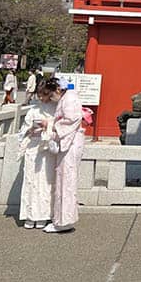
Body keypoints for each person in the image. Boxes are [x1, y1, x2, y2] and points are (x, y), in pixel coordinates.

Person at [44, 76, 84, 233]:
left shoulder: (69, 99)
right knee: (64, 180)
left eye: (51, 94)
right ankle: (62, 218)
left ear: (58, 90)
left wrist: (52, 126)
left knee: (66, 181)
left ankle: (63, 221)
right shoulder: (68, 97)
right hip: (69, 141)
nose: (51, 98)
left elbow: (72, 119)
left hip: (71, 143)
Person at [17, 85, 58, 229]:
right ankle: (29, 215)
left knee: (45, 182)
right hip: (33, 147)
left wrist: (48, 125)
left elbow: (60, 126)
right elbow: (23, 130)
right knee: (30, 180)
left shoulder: (56, 108)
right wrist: (30, 130)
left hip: (46, 149)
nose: (41, 98)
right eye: (39, 95)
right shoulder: (33, 109)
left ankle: (43, 215)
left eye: (44, 95)